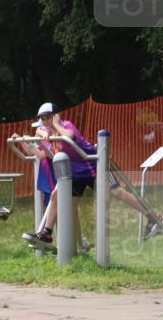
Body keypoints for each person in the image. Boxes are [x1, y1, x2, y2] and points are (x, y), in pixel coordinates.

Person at [22, 102, 161, 249]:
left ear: (57, 116)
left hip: (93, 165)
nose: (46, 121)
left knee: (117, 192)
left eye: (48, 117)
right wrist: (28, 140)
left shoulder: (66, 125)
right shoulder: (46, 133)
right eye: (43, 119)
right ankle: (48, 235)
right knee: (57, 196)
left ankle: (154, 218)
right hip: (75, 173)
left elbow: (69, 136)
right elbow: (40, 151)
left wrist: (55, 126)